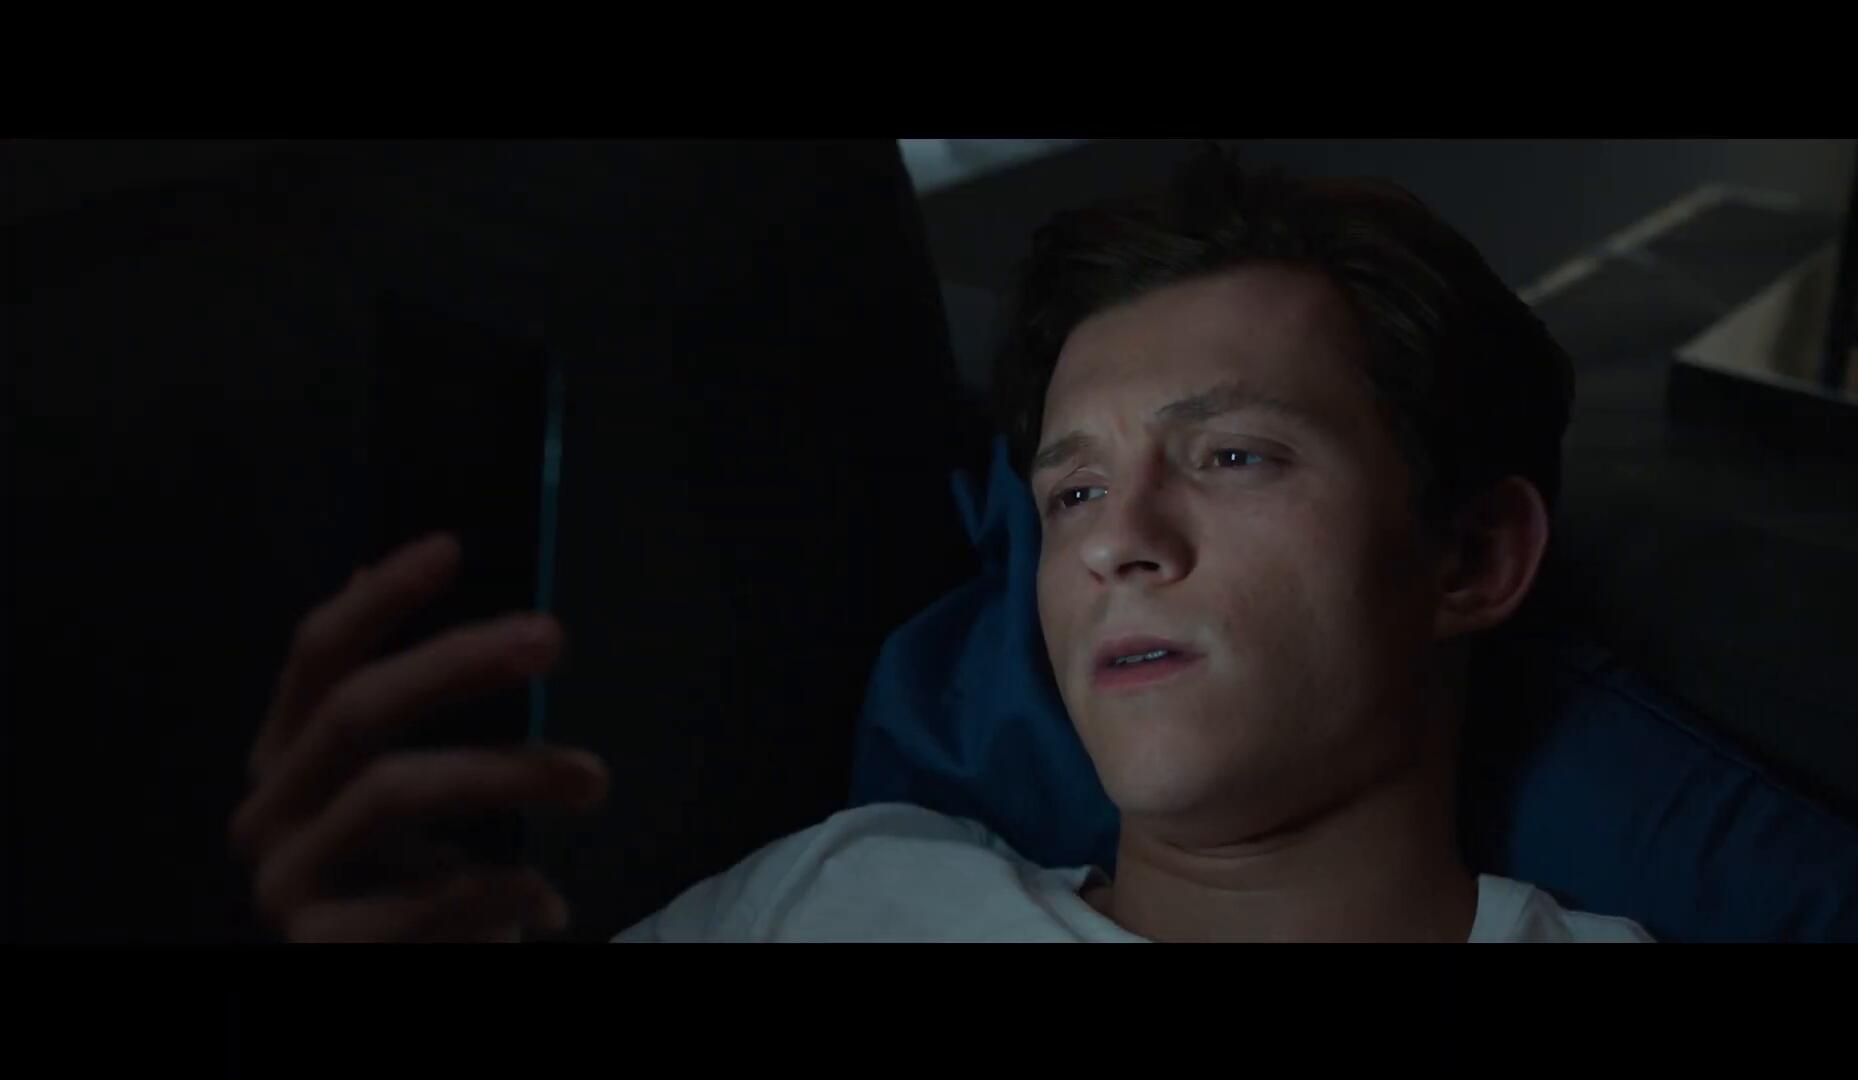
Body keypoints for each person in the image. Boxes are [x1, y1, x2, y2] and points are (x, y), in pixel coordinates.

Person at [230, 147, 1653, 942]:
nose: (1118, 545)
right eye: (1071, 494)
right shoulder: (838, 893)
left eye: (1231, 457)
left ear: (1471, 558)